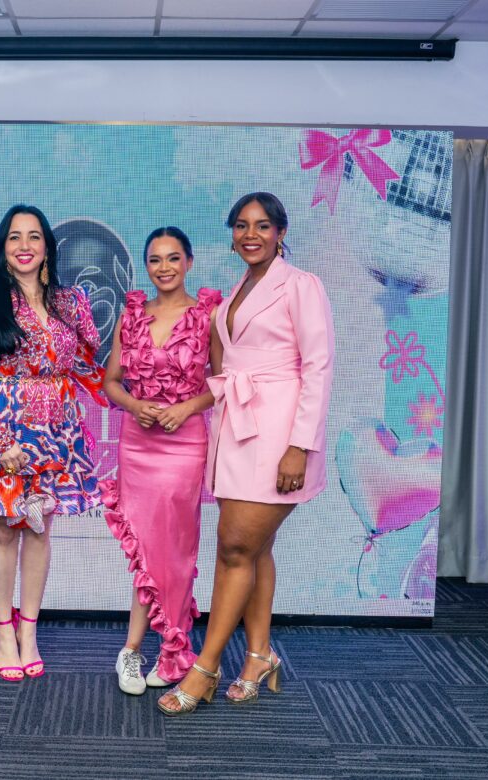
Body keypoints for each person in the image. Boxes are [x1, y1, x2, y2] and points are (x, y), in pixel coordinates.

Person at [158, 192, 334, 715]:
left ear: (281, 232)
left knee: (235, 548)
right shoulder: (237, 289)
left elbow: (318, 367)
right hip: (237, 430)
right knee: (253, 550)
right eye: (240, 225)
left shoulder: (301, 285)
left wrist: (299, 446)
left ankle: (205, 668)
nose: (250, 234)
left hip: (279, 434)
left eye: (261, 225)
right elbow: (225, 366)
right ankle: (259, 656)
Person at [0, 204, 105, 681]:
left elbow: (88, 366)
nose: (25, 245)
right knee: (3, 530)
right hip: (3, 433)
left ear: (48, 247)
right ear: (2, 246)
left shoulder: (69, 302)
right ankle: (4, 632)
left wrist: (139, 397)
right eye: (15, 236)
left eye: (34, 236)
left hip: (56, 434)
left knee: (39, 530)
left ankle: (29, 631)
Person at [98, 227, 221, 695]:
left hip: (185, 442)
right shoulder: (131, 315)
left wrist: (185, 409)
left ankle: (172, 650)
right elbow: (111, 382)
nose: (164, 267)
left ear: (189, 262)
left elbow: (222, 382)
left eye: (173, 258)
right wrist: (135, 405)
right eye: (155, 259)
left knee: (178, 551)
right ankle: (133, 651)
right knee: (146, 549)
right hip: (138, 443)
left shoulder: (208, 315)